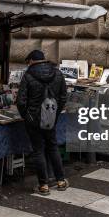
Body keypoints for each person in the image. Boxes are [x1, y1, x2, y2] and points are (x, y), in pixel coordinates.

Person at [17, 49, 68, 195]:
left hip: (33, 120)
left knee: (38, 150)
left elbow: (21, 102)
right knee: (53, 147)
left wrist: (28, 117)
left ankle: (43, 185)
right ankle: (61, 180)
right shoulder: (57, 73)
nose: (28, 64)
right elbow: (64, 96)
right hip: (51, 118)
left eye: (28, 62)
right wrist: (54, 115)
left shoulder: (28, 75)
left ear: (32, 60)